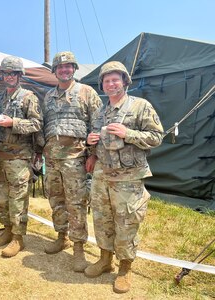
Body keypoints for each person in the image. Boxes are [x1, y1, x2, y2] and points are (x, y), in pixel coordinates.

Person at [85, 61, 163, 293]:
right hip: (102, 175)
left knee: (126, 222)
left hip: (128, 177)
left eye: (115, 79)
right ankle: (105, 259)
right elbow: (98, 140)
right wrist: (90, 146)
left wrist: (128, 133)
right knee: (102, 219)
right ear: (102, 84)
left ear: (125, 81)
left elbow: (157, 136)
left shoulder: (140, 106)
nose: (111, 84)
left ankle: (125, 268)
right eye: (107, 80)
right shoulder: (101, 111)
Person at [39, 51, 102, 272]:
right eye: (60, 67)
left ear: (74, 69)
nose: (64, 70)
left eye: (68, 67)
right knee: (56, 199)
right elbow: (44, 125)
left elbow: (97, 124)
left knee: (76, 203)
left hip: (75, 157)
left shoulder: (87, 93)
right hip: (52, 157)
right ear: (54, 71)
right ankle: (61, 236)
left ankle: (78, 248)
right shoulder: (47, 96)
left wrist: (93, 154)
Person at [0, 56, 42, 257]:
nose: (9, 76)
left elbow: (37, 124)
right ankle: (7, 229)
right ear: (2, 75)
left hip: (19, 158)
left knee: (18, 199)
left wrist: (13, 122)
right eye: (6, 73)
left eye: (13, 73)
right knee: (1, 198)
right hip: (0, 158)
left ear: (19, 75)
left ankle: (18, 238)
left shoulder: (29, 97)